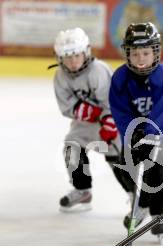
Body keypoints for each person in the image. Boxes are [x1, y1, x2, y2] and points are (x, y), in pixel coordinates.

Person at [109, 22, 163, 238]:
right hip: (135, 133)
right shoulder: (120, 78)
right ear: (127, 54)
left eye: (146, 53)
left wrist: (148, 136)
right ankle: (140, 204)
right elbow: (121, 111)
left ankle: (160, 214)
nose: (141, 58)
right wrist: (134, 134)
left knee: (156, 169)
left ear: (155, 52)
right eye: (135, 53)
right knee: (123, 166)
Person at [53, 27, 133, 212]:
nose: (72, 62)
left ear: (86, 52)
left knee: (115, 156)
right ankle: (82, 190)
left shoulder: (98, 70)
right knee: (71, 147)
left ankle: (134, 193)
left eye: (76, 55)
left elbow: (112, 101)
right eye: (67, 57)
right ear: (59, 58)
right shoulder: (60, 76)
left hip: (112, 119)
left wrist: (109, 123)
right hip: (85, 124)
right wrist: (89, 113)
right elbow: (66, 106)